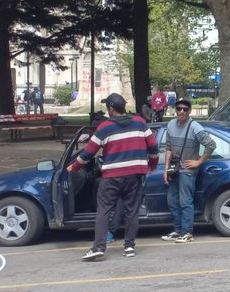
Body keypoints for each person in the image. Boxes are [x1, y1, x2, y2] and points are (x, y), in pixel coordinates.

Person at [68, 93, 158, 262]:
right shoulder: (140, 123)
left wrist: (74, 167)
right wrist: (152, 166)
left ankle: (99, 247)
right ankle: (129, 246)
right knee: (132, 211)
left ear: (110, 108)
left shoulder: (104, 127)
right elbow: (153, 146)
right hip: (135, 175)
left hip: (112, 176)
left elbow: (88, 153)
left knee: (104, 210)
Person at [158, 99, 216, 243]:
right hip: (174, 169)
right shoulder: (171, 125)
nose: (181, 111)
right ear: (175, 110)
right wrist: (166, 169)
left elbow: (211, 145)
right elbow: (169, 148)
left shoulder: (194, 127)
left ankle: (187, 232)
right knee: (172, 200)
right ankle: (178, 231)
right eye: (179, 109)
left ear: (190, 111)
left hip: (188, 170)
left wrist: (199, 161)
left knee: (185, 201)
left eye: (185, 109)